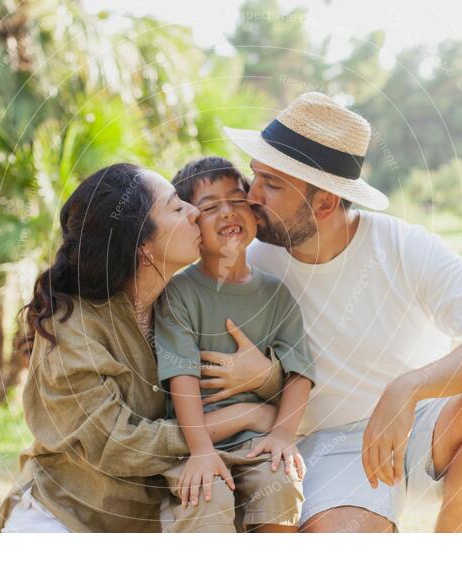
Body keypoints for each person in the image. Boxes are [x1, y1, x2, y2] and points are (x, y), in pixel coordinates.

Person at [209, 91, 462, 533]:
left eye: (272, 185)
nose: (250, 196)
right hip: (330, 447)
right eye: (256, 176)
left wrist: (409, 390)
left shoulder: (402, 246)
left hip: (426, 423)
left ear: (326, 203)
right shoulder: (250, 264)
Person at [0, 162, 286, 532]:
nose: (195, 212)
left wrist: (264, 377)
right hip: (68, 517)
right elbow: (118, 443)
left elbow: (269, 373)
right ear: (144, 246)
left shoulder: (186, 300)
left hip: (159, 516)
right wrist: (240, 416)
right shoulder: (73, 327)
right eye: (177, 207)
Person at [152, 157, 315, 533]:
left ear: (255, 213)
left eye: (237, 200)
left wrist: (282, 435)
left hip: (257, 439)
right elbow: (182, 375)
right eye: (209, 207)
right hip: (197, 435)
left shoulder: (276, 294)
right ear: (192, 223)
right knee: (207, 495)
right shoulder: (179, 293)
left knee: (281, 484)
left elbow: (299, 371)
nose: (227, 212)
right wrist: (201, 450)